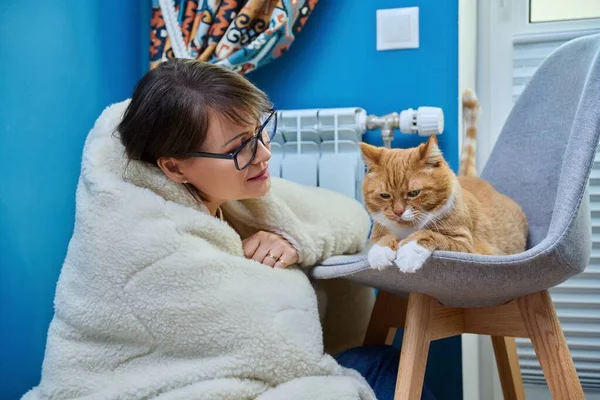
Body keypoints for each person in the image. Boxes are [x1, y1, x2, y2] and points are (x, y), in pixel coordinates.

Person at [23, 59, 436, 400]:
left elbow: (346, 214)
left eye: (259, 131)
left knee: (387, 362)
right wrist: (276, 264)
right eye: (238, 147)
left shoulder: (226, 189)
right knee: (388, 372)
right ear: (173, 166)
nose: (262, 153)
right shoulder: (139, 237)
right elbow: (278, 340)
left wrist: (291, 238)